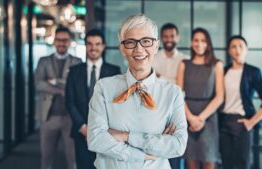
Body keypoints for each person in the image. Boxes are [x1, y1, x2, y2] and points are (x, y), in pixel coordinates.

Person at [87, 14, 188, 169]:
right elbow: (95, 139)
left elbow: (178, 146)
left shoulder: (173, 93)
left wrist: (126, 136)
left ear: (156, 45)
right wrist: (143, 153)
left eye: (146, 41)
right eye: (131, 42)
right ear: (122, 48)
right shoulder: (103, 87)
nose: (139, 49)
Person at [65, 29, 121, 169]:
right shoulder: (74, 71)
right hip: (81, 131)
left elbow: (117, 103)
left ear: (103, 46)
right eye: (89, 44)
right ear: (85, 46)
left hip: (107, 133)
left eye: (97, 44)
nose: (93, 47)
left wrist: (103, 129)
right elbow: (70, 102)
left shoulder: (114, 71)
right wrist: (84, 128)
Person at [219, 35, 262, 169]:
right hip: (224, 122)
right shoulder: (223, 71)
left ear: (246, 49)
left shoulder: (253, 72)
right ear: (229, 51)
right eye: (233, 46)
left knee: (242, 164)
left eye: (240, 46)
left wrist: (252, 121)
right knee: (226, 163)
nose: (237, 49)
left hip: (242, 122)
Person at [176, 27, 224, 169]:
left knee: (209, 160)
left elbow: (220, 96)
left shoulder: (217, 65)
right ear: (191, 43)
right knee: (190, 162)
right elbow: (179, 95)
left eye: (203, 40)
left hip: (208, 118)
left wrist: (201, 118)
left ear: (208, 43)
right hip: (187, 115)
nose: (199, 43)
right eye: (196, 40)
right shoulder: (183, 64)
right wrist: (190, 118)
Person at [35, 26, 82, 169]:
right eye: (59, 40)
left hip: (71, 118)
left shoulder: (77, 62)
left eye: (65, 40)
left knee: (73, 158)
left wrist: (54, 81)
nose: (61, 43)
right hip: (49, 117)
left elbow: (77, 86)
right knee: (46, 157)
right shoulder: (44, 61)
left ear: (70, 42)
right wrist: (62, 89)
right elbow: (39, 84)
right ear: (54, 41)